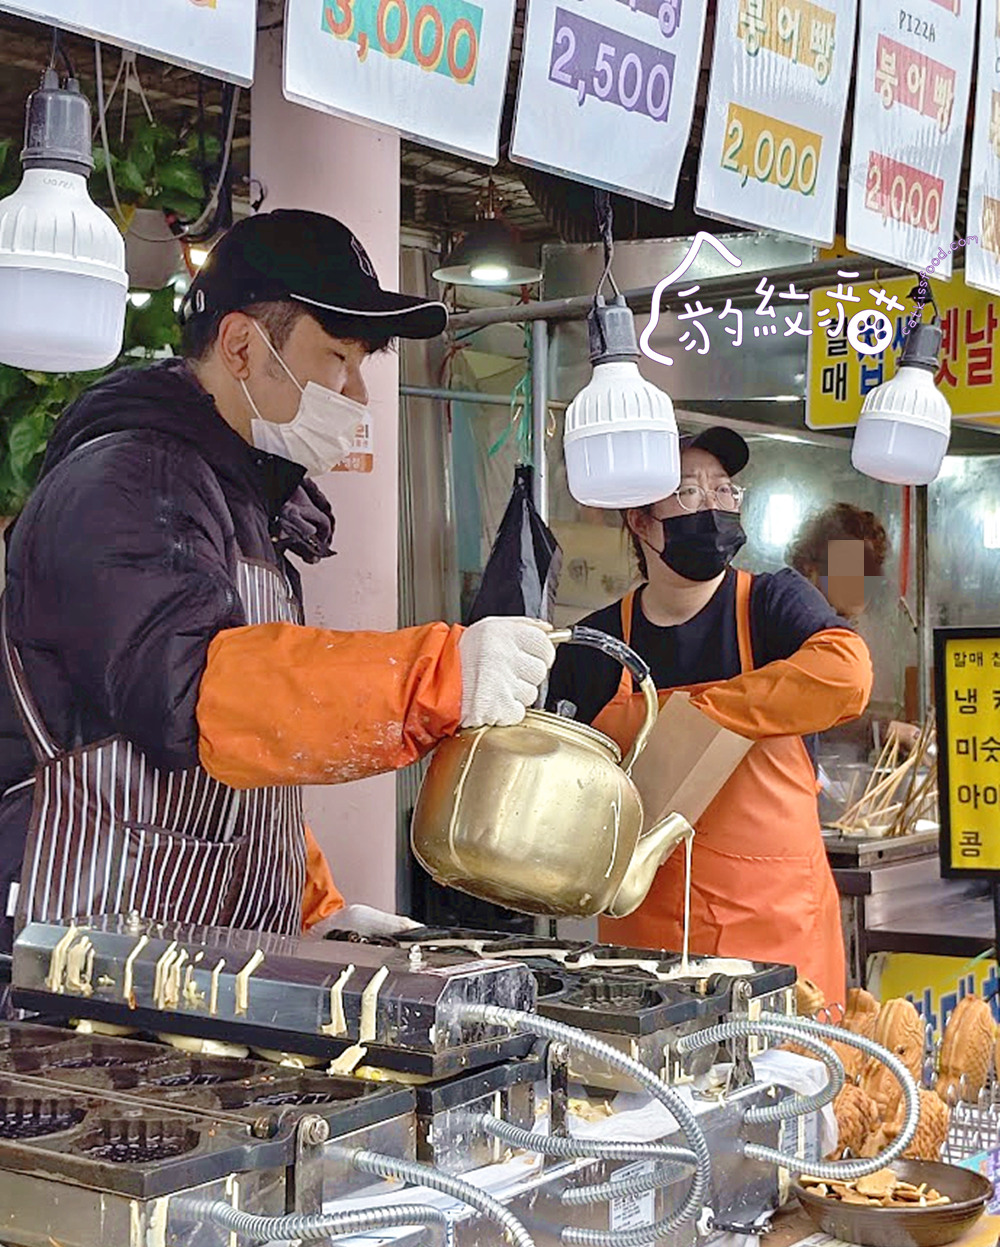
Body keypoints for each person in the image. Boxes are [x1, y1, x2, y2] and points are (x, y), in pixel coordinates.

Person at [0, 209, 555, 954]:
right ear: (240, 347)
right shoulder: (130, 484)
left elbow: (254, 762)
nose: (356, 394)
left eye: (362, 365)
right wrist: (439, 674)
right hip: (80, 949)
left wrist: (311, 906)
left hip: (197, 950)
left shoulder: (245, 497)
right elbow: (196, 692)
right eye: (337, 358)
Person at [546, 429, 873, 1007]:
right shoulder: (595, 645)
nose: (713, 505)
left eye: (724, 490)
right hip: (646, 952)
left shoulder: (772, 605)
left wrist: (709, 717)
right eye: (689, 492)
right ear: (641, 522)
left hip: (779, 945)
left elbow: (848, 674)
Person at [788, 503, 919, 754]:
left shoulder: (838, 630)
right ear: (810, 568)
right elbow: (805, 712)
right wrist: (884, 730)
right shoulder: (791, 627)